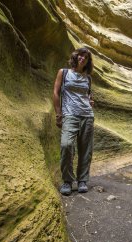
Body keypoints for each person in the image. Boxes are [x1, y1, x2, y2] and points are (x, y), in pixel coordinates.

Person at [53, 47, 94, 195]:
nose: (82, 58)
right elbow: (56, 93)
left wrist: (91, 101)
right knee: (66, 145)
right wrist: (58, 114)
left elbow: (88, 95)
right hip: (69, 115)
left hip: (87, 116)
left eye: (86, 57)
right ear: (76, 57)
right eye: (81, 55)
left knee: (86, 149)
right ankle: (68, 181)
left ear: (88, 62)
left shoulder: (88, 78)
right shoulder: (63, 73)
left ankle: (82, 180)